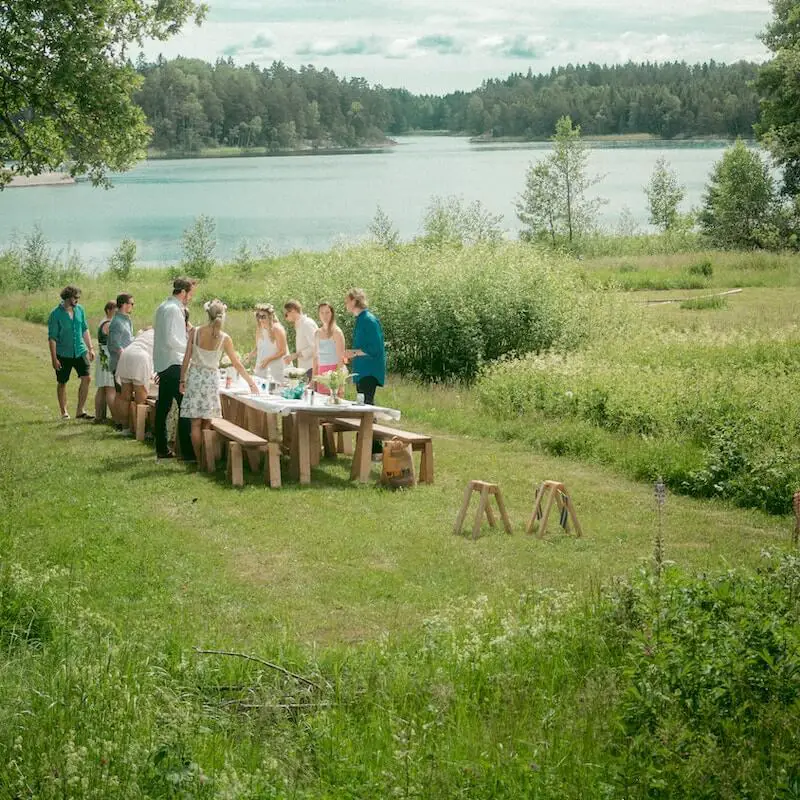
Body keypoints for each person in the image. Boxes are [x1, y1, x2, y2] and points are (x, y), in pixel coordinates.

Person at [180, 299, 257, 461]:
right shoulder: (224, 338)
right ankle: (206, 460)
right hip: (211, 380)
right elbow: (236, 363)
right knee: (207, 422)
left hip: (195, 377)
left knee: (195, 423)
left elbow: (186, 359)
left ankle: (198, 458)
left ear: (207, 314)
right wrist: (251, 382)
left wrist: (182, 380)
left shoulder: (195, 332)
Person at [153, 277, 197, 460]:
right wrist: (190, 349)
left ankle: (162, 449)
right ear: (183, 292)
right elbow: (172, 339)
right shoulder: (172, 310)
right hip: (173, 363)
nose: (191, 298)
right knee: (185, 406)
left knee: (163, 406)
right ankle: (187, 453)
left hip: (164, 362)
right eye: (191, 293)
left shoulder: (164, 307)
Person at [344, 288, 386, 457]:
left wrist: (353, 352)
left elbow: (375, 349)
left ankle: (374, 450)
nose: (346, 304)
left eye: (347, 301)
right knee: (366, 407)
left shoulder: (369, 319)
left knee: (367, 408)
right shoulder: (360, 319)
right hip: (362, 370)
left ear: (355, 301)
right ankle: (372, 448)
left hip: (370, 371)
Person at [47, 285, 95, 420]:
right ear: (68, 298)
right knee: (62, 382)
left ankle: (80, 411)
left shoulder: (80, 310)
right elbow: (52, 338)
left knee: (87, 378)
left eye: (78, 298)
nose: (78, 300)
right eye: (76, 298)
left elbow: (84, 329)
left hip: (80, 351)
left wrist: (90, 347)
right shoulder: (55, 314)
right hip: (63, 353)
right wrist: (54, 358)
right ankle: (64, 412)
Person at [115, 328, 155, 436]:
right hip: (140, 357)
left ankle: (125, 428)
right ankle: (142, 431)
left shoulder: (145, 333)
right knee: (141, 398)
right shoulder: (162, 335)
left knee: (125, 396)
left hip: (126, 354)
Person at [107, 293, 135, 429]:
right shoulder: (116, 322)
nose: (132, 306)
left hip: (128, 362)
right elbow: (114, 345)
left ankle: (126, 422)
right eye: (131, 304)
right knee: (121, 394)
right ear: (124, 304)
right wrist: (124, 355)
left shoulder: (126, 319)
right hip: (119, 364)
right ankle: (120, 423)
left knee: (126, 394)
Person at [249, 303, 288, 385]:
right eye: (258, 316)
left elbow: (283, 351)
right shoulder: (259, 328)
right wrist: (249, 356)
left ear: (270, 316)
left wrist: (268, 360)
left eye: (263, 316)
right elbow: (258, 347)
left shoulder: (277, 329)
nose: (260, 319)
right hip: (261, 366)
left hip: (275, 368)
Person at [313, 301, 345, 395]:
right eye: (322, 313)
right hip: (321, 374)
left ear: (332, 314)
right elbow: (315, 358)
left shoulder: (337, 332)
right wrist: (313, 379)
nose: (324, 316)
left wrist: (340, 383)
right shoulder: (317, 333)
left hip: (334, 374)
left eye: (327, 312)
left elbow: (341, 359)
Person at [93, 300, 116, 422]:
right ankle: (116, 418)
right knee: (110, 387)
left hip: (102, 356)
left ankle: (99, 416)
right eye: (115, 309)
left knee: (102, 388)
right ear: (109, 310)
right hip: (107, 357)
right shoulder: (108, 324)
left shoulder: (103, 321)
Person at [282, 299, 318, 378]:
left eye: (286, 314)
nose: (285, 318)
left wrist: (295, 355)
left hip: (312, 368)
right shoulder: (300, 325)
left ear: (293, 311)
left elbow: (316, 347)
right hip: (305, 368)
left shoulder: (307, 324)